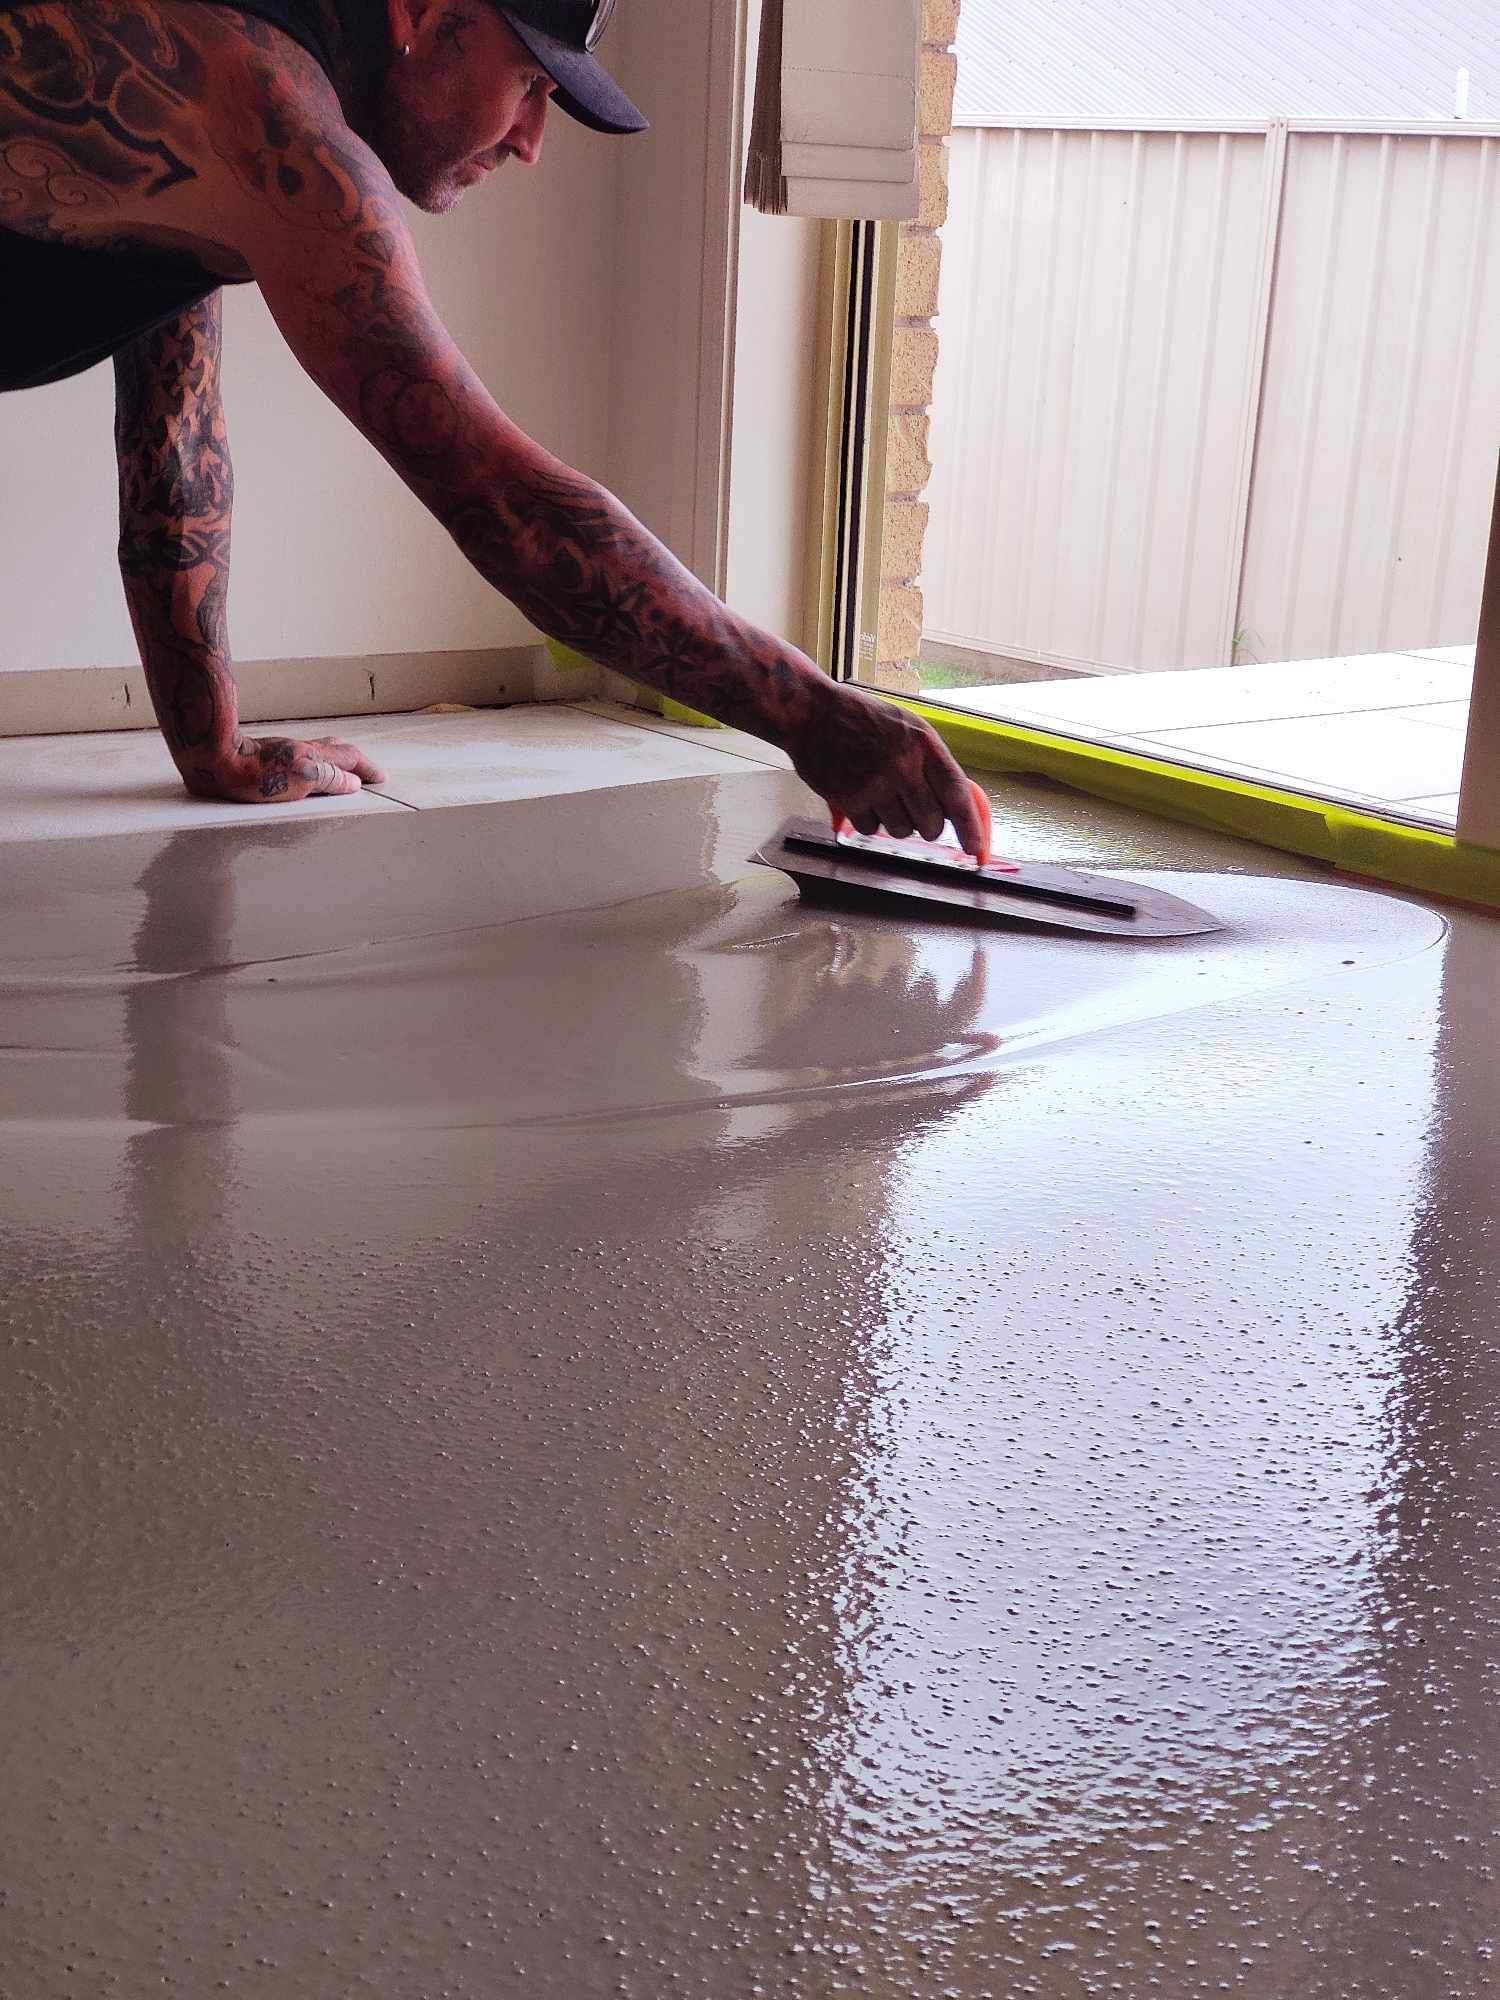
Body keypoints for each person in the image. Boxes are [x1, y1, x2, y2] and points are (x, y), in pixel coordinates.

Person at [0, 0, 986, 851]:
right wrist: (810, 712)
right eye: (525, 81)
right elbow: (507, 505)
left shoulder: (224, 100)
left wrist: (211, 746)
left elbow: (173, 445)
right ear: (422, 12)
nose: (529, 140)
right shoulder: (269, 114)